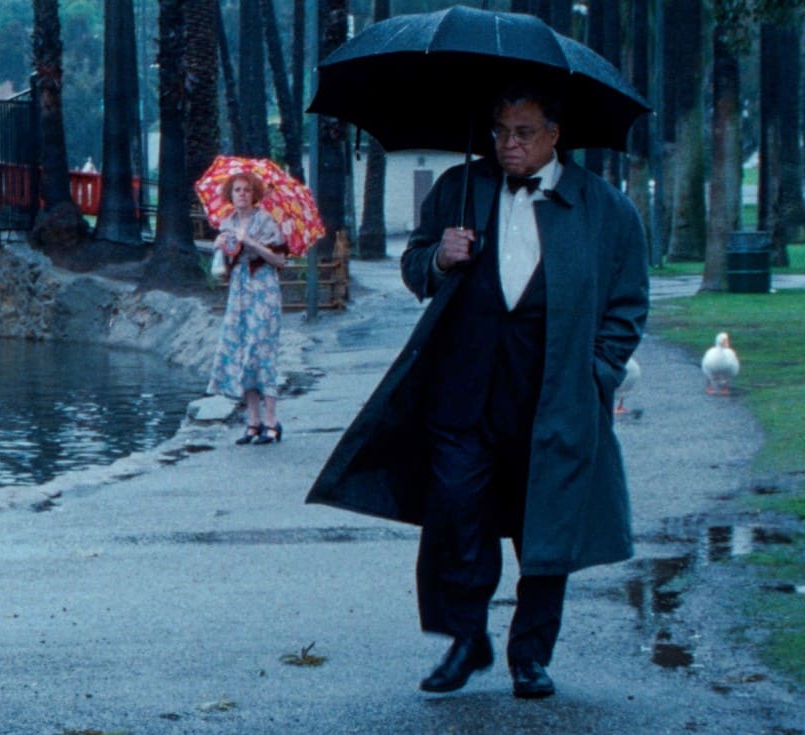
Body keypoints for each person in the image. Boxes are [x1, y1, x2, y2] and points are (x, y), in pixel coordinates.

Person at [307, 80, 649, 698]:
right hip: (462, 392)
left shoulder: (606, 210)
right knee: (456, 518)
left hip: (554, 398)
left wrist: (598, 373)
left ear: (554, 134)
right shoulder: (459, 190)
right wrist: (440, 256)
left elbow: (627, 308)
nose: (507, 144)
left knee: (545, 526)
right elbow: (413, 268)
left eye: (522, 133)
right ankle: (467, 640)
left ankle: (531, 655)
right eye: (499, 131)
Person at [206, 172, 288, 445]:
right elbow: (223, 269)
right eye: (237, 190)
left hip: (263, 288)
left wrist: (251, 241)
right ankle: (253, 422)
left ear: (254, 194)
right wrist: (219, 249)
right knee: (242, 352)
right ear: (230, 194)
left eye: (246, 190)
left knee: (261, 350)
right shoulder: (227, 222)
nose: (241, 194)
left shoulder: (265, 221)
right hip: (239, 289)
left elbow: (280, 261)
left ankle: (272, 422)